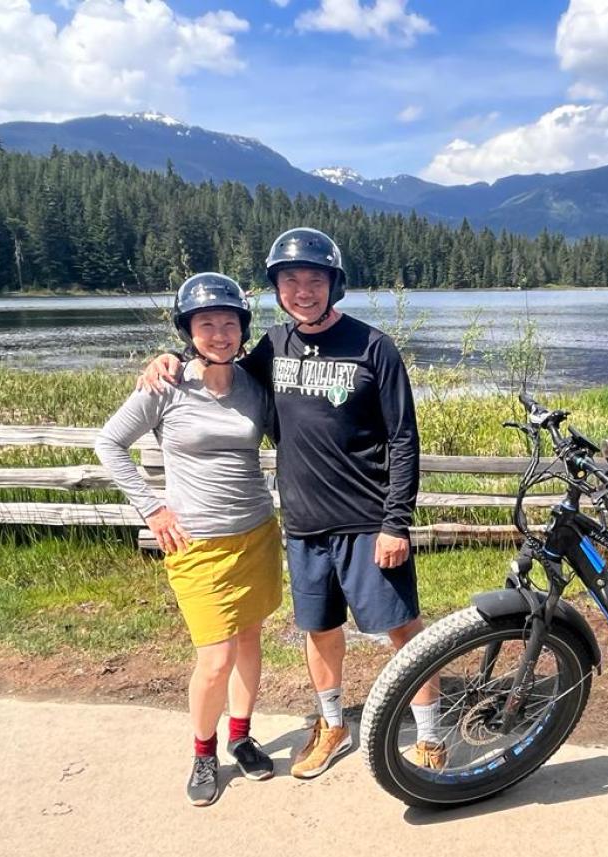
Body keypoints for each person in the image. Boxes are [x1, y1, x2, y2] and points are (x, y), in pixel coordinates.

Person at [140, 228, 443, 778]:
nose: (302, 290)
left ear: (334, 284)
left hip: (369, 523)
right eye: (290, 281)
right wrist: (169, 357)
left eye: (314, 279)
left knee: (402, 628)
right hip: (303, 526)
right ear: (276, 289)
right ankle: (331, 726)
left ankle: (429, 733)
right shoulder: (272, 348)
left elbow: (403, 439)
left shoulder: (374, 347)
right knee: (320, 631)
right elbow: (216, 364)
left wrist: (396, 522)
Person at [97, 272, 282, 806]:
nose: (220, 334)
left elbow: (293, 431)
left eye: (229, 323)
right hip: (196, 543)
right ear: (189, 331)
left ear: (243, 330)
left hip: (255, 535)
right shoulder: (166, 385)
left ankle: (241, 737)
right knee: (216, 656)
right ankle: (204, 754)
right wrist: (151, 506)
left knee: (250, 641)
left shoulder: (253, 385)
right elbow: (109, 444)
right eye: (207, 325)